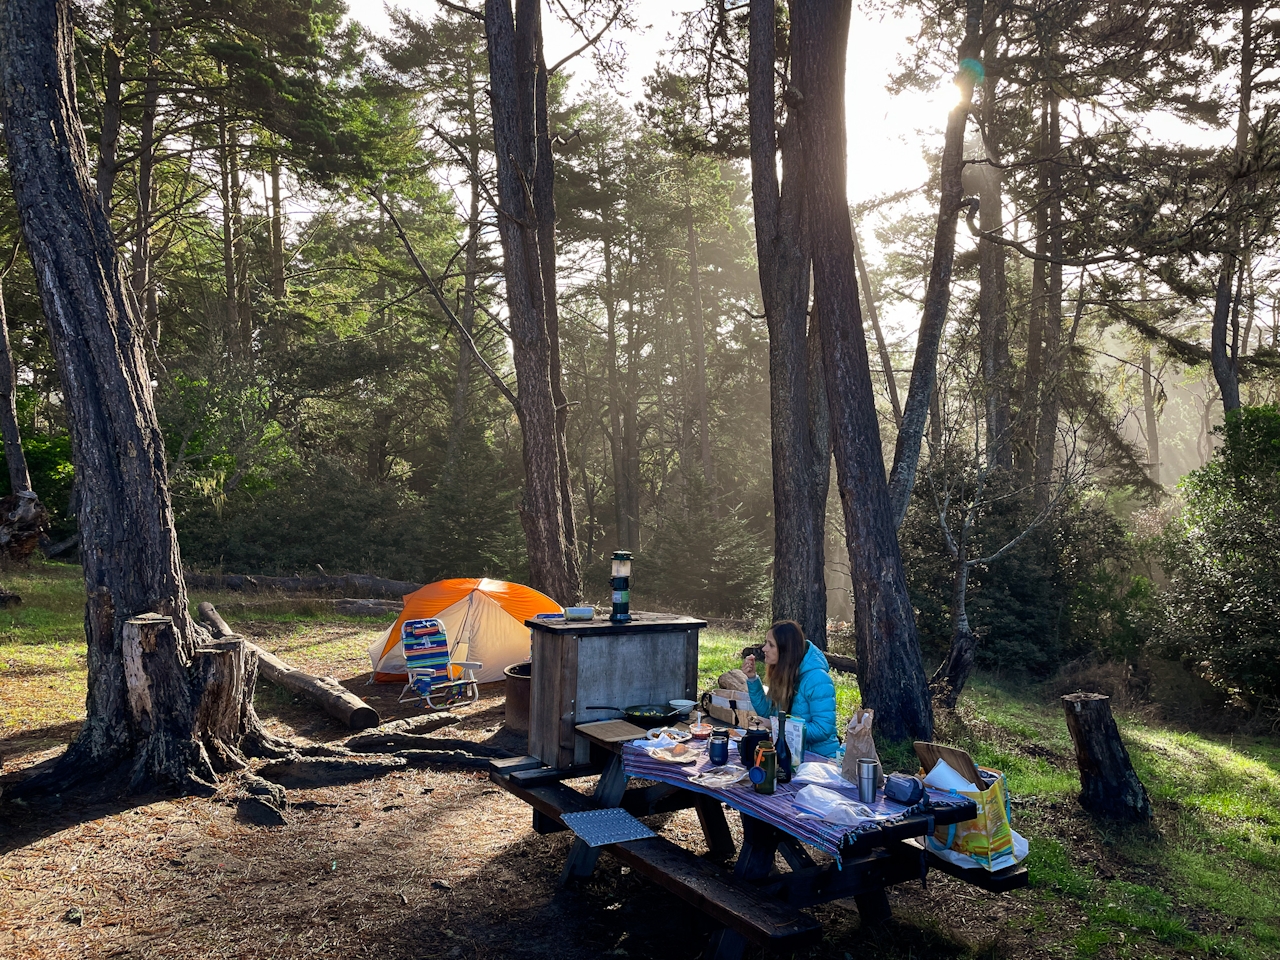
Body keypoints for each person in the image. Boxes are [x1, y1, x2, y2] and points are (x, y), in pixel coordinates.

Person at [742, 620, 839, 758]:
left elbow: (823, 730)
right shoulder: (782, 672)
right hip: (791, 754)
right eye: (766, 643)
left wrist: (777, 726)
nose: (764, 649)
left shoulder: (817, 679)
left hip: (819, 759)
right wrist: (752, 679)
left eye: (771, 645)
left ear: (786, 650)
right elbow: (767, 713)